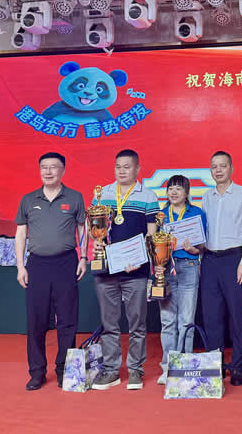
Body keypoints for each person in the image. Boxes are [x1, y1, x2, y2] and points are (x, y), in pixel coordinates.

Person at [14, 152, 87, 391]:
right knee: (36, 321)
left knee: (67, 320)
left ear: (63, 170)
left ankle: (65, 370)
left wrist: (83, 257)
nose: (48, 171)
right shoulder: (28, 199)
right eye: (43, 167)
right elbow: (21, 234)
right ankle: (37, 372)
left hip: (66, 263)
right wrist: (20, 266)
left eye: (53, 167)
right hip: (37, 265)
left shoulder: (75, 198)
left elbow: (83, 229)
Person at [91, 149, 160, 391]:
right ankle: (111, 370)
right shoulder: (102, 194)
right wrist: (96, 243)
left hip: (135, 270)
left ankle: (135, 369)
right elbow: (95, 229)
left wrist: (142, 258)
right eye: (118, 166)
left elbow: (152, 235)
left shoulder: (148, 196)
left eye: (127, 166)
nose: (122, 171)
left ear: (138, 169)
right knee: (109, 324)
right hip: (107, 270)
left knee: (137, 324)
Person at [200, 151, 242, 386]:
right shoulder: (207, 196)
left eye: (223, 166)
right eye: (214, 166)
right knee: (211, 316)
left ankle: (237, 366)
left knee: (236, 315)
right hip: (209, 260)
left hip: (234, 259)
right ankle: (215, 363)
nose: (218, 170)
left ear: (231, 168)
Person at [156, 174, 206, 385]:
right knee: (167, 320)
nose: (174, 192)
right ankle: (168, 366)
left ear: (187, 192)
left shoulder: (197, 213)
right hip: (167, 269)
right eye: (170, 188)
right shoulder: (160, 216)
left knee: (186, 319)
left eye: (178, 188)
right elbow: (154, 245)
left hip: (189, 266)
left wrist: (194, 249)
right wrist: (157, 264)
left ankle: (184, 364)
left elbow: (203, 245)